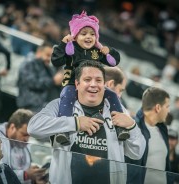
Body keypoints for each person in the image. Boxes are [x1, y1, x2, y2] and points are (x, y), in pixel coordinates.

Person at [28, 61, 146, 184]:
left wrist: (132, 127)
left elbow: (137, 153)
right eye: (87, 79)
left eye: (99, 80)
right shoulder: (60, 106)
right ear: (77, 84)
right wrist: (76, 123)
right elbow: (33, 128)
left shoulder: (119, 111)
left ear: (104, 85)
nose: (93, 84)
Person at [51, 11, 129, 144]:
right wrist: (63, 44)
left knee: (112, 95)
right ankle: (62, 130)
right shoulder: (71, 48)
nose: (89, 37)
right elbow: (56, 61)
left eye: (92, 34)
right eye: (84, 33)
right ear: (75, 36)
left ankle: (120, 127)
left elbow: (114, 61)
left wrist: (109, 51)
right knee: (66, 96)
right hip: (72, 84)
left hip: (94, 87)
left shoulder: (97, 51)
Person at [125, 87, 170, 184]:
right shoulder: (134, 130)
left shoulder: (162, 129)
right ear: (158, 108)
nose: (168, 111)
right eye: (167, 107)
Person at [0, 109, 47, 184]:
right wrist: (25, 175)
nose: (27, 139)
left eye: (29, 136)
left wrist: (34, 179)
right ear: (12, 127)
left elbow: (25, 172)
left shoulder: (21, 143)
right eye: (24, 135)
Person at [17, 44, 63, 113]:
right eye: (47, 55)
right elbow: (32, 83)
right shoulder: (29, 63)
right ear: (39, 52)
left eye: (51, 57)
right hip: (31, 106)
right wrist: (53, 81)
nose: (49, 59)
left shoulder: (48, 67)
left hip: (44, 107)